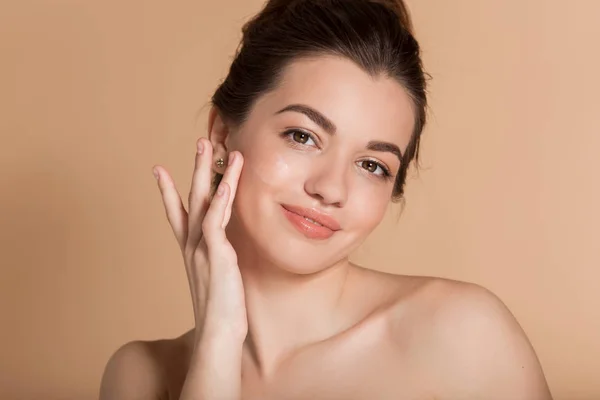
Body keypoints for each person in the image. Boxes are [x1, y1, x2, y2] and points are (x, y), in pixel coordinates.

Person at [99, 0, 553, 398]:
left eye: (373, 165)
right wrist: (218, 345)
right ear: (221, 135)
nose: (331, 189)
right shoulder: (144, 376)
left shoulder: (462, 336)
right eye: (303, 136)